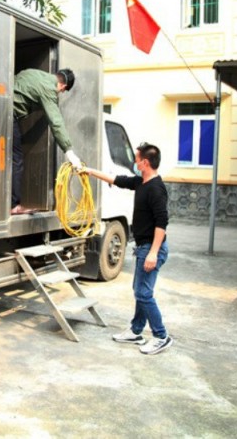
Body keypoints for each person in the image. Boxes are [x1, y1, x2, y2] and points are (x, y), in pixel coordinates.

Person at [81, 143, 173, 355]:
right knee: (140, 291)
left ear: (145, 163)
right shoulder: (141, 182)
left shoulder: (156, 189)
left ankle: (161, 336)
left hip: (152, 248)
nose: (134, 162)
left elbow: (162, 223)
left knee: (143, 293)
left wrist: (152, 253)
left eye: (137, 158)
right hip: (143, 247)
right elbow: (117, 180)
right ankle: (136, 330)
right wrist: (90, 171)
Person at [11, 68, 82, 215]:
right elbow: (56, 122)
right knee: (16, 160)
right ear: (63, 86)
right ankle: (13, 205)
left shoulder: (32, 72)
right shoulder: (49, 89)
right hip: (10, 115)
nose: (60, 93)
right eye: (63, 91)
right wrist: (69, 150)